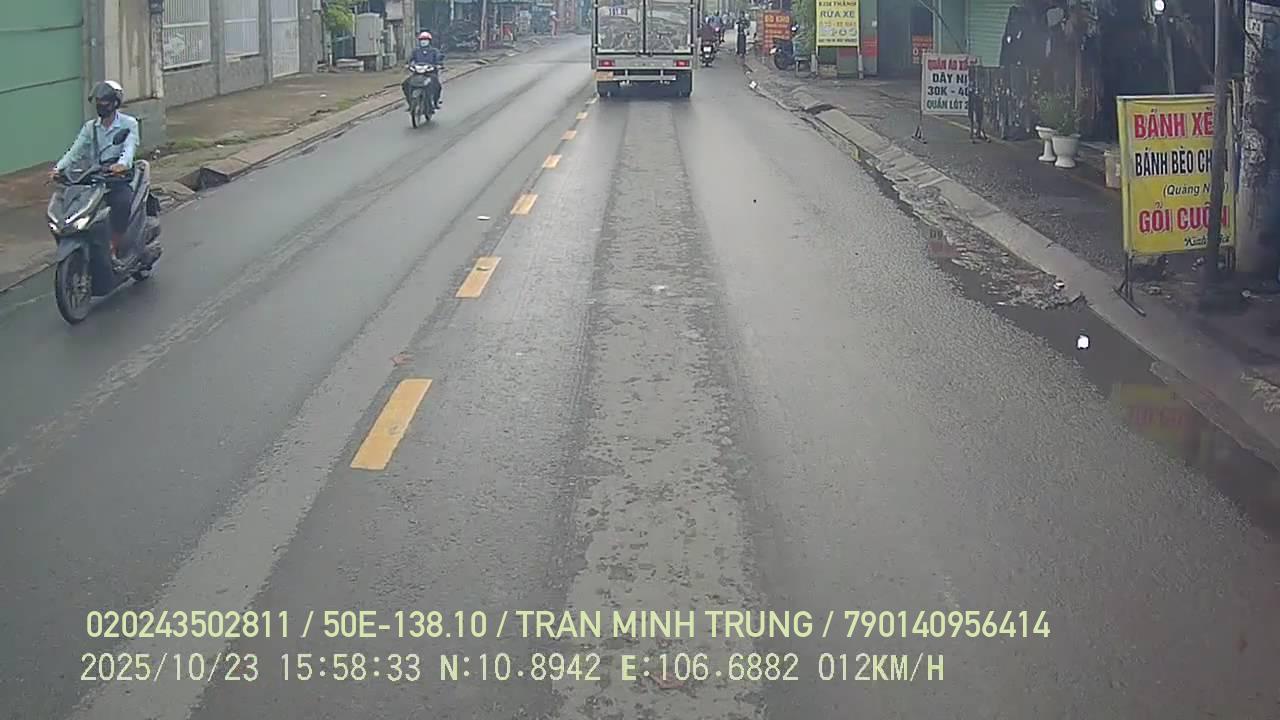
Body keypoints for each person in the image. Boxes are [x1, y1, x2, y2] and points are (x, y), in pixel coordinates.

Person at [52, 80, 139, 266]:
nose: (100, 105)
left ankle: (114, 246)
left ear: (115, 103)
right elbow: (75, 151)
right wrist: (59, 168)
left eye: (104, 101)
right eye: (98, 101)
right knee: (72, 203)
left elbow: (129, 148)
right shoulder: (90, 127)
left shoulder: (128, 124)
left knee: (122, 203)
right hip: (94, 177)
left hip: (117, 178)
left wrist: (122, 164)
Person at [403, 32, 445, 109]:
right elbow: (410, 59)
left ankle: (435, 102)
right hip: (417, 73)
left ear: (429, 41)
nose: (423, 41)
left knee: (437, 86)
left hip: (430, 73)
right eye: (422, 40)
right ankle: (410, 103)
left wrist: (439, 65)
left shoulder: (434, 51)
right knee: (405, 84)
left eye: (425, 40)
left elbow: (439, 59)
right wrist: (407, 64)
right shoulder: (416, 51)